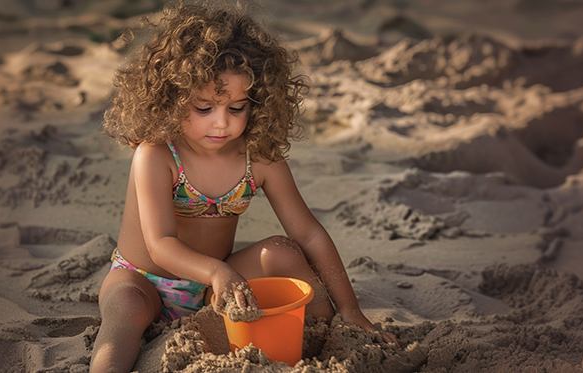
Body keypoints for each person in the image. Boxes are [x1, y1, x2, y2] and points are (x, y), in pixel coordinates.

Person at [90, 2, 399, 372]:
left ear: (258, 102)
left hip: (214, 291)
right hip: (144, 280)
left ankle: (329, 333)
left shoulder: (260, 158)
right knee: (126, 308)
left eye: (237, 108)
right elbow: (160, 246)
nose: (222, 124)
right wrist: (217, 272)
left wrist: (350, 308)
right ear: (171, 99)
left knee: (284, 252)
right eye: (204, 108)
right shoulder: (157, 154)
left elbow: (310, 234)